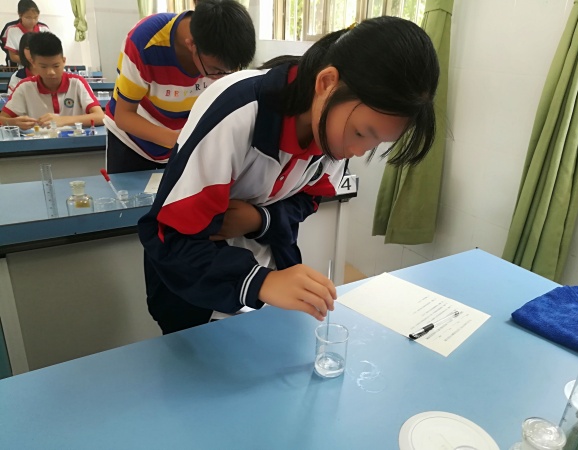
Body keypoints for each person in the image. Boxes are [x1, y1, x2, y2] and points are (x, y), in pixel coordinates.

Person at [138, 16, 440, 335]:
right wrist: (261, 282)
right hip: (195, 287)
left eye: (376, 143)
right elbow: (169, 236)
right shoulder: (237, 111)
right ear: (326, 83)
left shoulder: (332, 136)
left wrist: (261, 220)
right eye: (362, 133)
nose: (358, 151)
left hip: (263, 281)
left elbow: (308, 200)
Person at [104, 0, 256, 174]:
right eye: (215, 70)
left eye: (229, 71)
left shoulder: (223, 58)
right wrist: (180, 140)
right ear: (191, 45)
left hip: (180, 143)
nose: (220, 77)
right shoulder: (144, 42)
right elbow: (124, 116)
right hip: (132, 143)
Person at [0, 32, 104, 130]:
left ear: (63, 61)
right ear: (33, 63)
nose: (51, 72)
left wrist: (63, 120)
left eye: (56, 66)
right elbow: (2, 118)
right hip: (39, 142)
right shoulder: (25, 87)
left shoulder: (77, 83)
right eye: (43, 66)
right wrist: (13, 122)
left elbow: (100, 116)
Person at [2, 0, 49, 67]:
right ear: (20, 15)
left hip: (43, 67)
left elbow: (50, 51)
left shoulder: (44, 29)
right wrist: (32, 63)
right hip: (23, 67)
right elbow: (13, 56)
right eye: (28, 18)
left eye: (35, 17)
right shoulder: (12, 31)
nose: (32, 21)